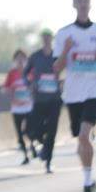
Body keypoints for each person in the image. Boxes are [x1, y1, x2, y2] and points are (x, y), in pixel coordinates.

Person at [53, 0, 96, 192]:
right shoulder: (63, 34)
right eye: (79, 1)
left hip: (95, 90)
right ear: (73, 4)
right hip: (73, 93)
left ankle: (88, 185)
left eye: (86, 1)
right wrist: (67, 50)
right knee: (80, 138)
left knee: (84, 136)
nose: (82, 4)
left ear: (90, 4)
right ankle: (89, 176)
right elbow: (56, 68)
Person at [23, 28, 62, 173]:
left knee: (52, 130)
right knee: (31, 129)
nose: (46, 39)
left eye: (48, 37)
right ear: (42, 39)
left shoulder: (57, 56)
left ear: (52, 39)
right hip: (39, 99)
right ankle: (43, 145)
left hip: (55, 99)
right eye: (44, 36)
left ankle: (48, 161)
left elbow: (68, 68)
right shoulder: (35, 56)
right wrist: (29, 84)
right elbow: (24, 74)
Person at [2, 49, 38, 165]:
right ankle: (25, 156)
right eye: (18, 59)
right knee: (19, 134)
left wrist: (33, 88)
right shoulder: (12, 74)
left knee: (29, 130)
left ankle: (32, 146)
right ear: (15, 61)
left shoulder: (31, 72)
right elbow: (5, 88)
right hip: (17, 108)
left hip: (29, 106)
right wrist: (10, 89)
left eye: (22, 58)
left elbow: (37, 84)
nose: (20, 61)